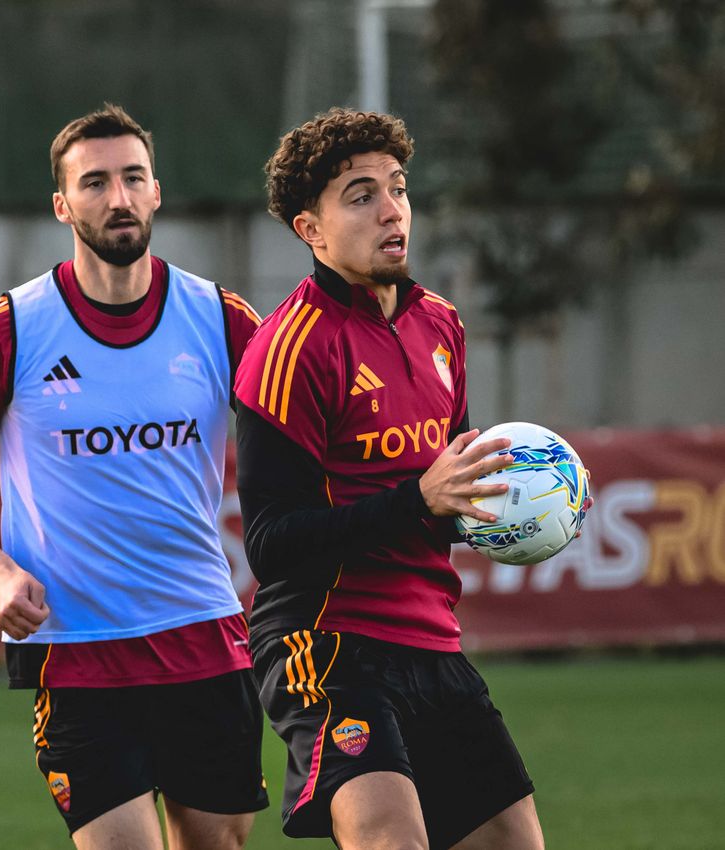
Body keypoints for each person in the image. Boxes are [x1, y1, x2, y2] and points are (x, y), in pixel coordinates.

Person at [0, 104, 268, 849]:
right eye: (95, 182)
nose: (118, 197)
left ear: (156, 192)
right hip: (77, 649)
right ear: (62, 205)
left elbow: (304, 443)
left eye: (133, 178)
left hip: (203, 634)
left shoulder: (221, 318)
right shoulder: (10, 329)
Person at [233, 107, 545, 850]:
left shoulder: (441, 325)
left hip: (432, 638)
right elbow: (270, 544)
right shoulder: (288, 348)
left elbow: (450, 494)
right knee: (391, 839)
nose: (391, 209)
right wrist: (417, 499)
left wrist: (533, 500)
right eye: (361, 195)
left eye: (398, 188)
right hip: (324, 641)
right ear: (311, 230)